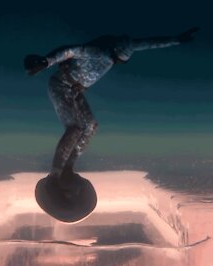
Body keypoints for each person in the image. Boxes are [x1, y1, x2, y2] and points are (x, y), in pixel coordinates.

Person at [24, 27, 198, 192]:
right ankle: (55, 176)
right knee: (75, 127)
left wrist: (176, 40)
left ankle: (68, 166)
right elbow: (72, 50)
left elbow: (146, 43)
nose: (119, 62)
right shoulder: (98, 52)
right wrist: (47, 61)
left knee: (90, 125)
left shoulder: (113, 51)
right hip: (61, 86)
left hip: (75, 90)